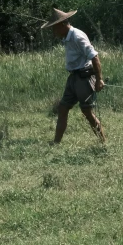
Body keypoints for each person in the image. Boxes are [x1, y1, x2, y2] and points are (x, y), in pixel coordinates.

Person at [41, 8, 105, 144]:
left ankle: (103, 142)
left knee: (87, 112)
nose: (53, 32)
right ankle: (56, 143)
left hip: (84, 78)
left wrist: (99, 79)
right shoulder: (67, 36)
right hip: (73, 78)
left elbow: (94, 56)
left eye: (54, 28)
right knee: (62, 108)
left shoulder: (77, 36)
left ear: (63, 24)